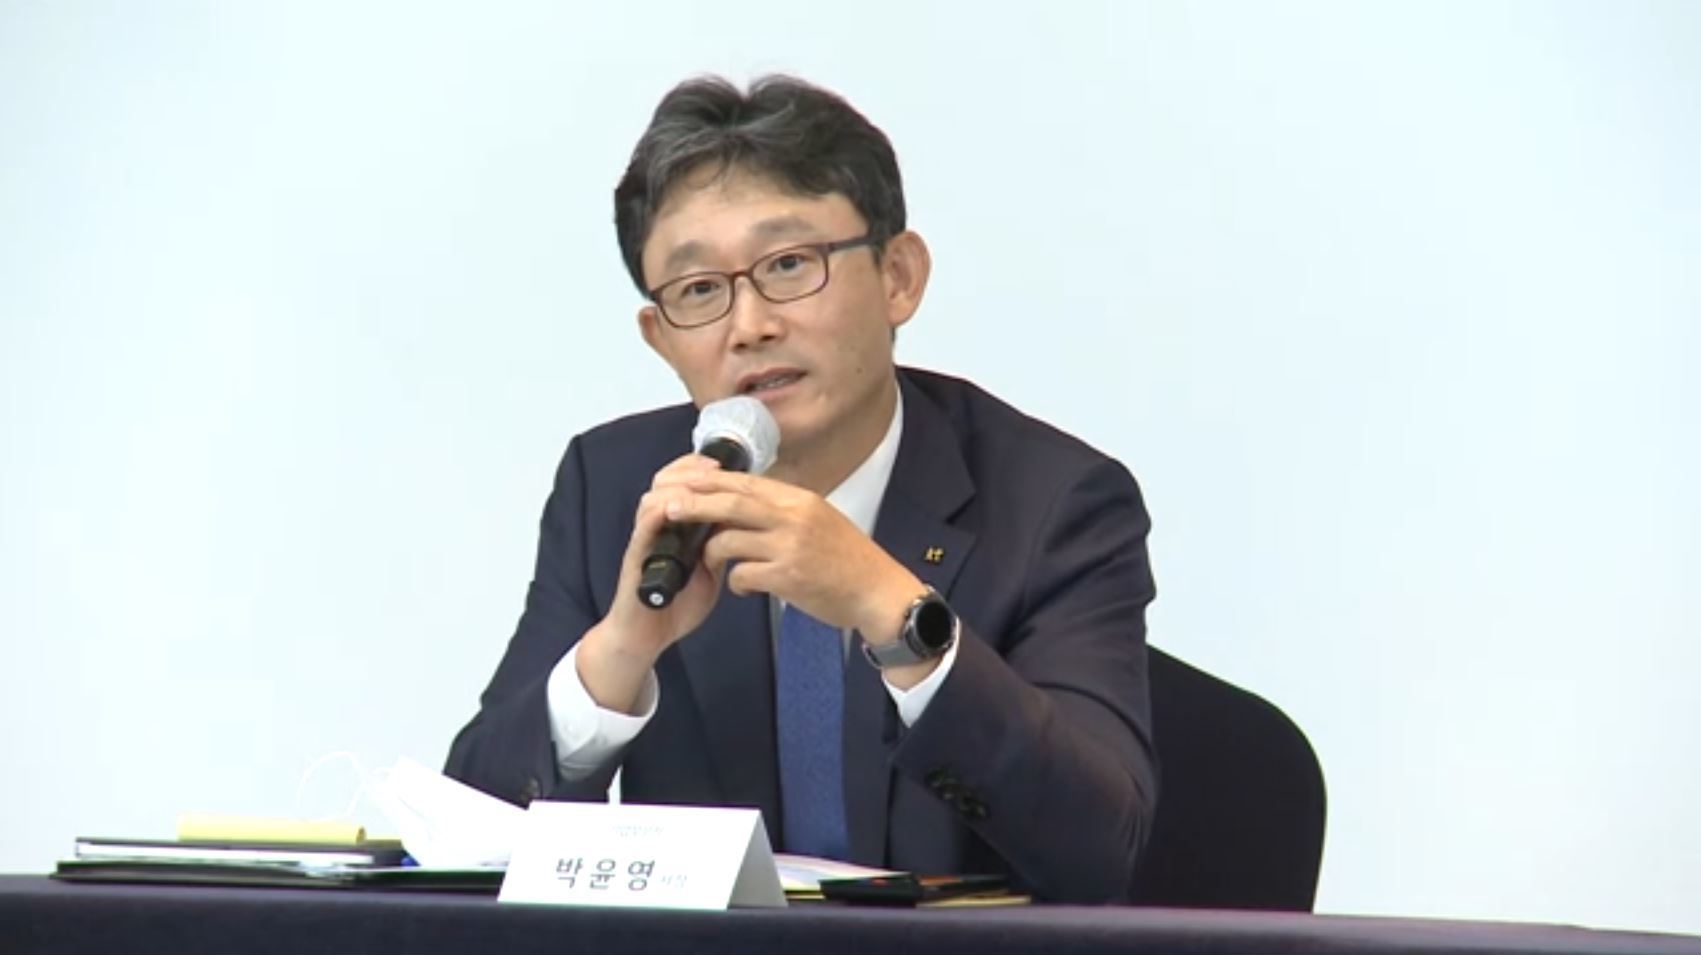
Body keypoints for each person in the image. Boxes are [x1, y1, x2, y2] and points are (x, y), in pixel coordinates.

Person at [445, 75, 1159, 904]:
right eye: (699, 290)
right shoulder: (615, 490)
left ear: (898, 277)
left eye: (788, 265)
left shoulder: (1053, 503)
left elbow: (1099, 849)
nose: (749, 325)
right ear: (660, 337)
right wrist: (620, 652)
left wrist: (891, 610)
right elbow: (467, 840)